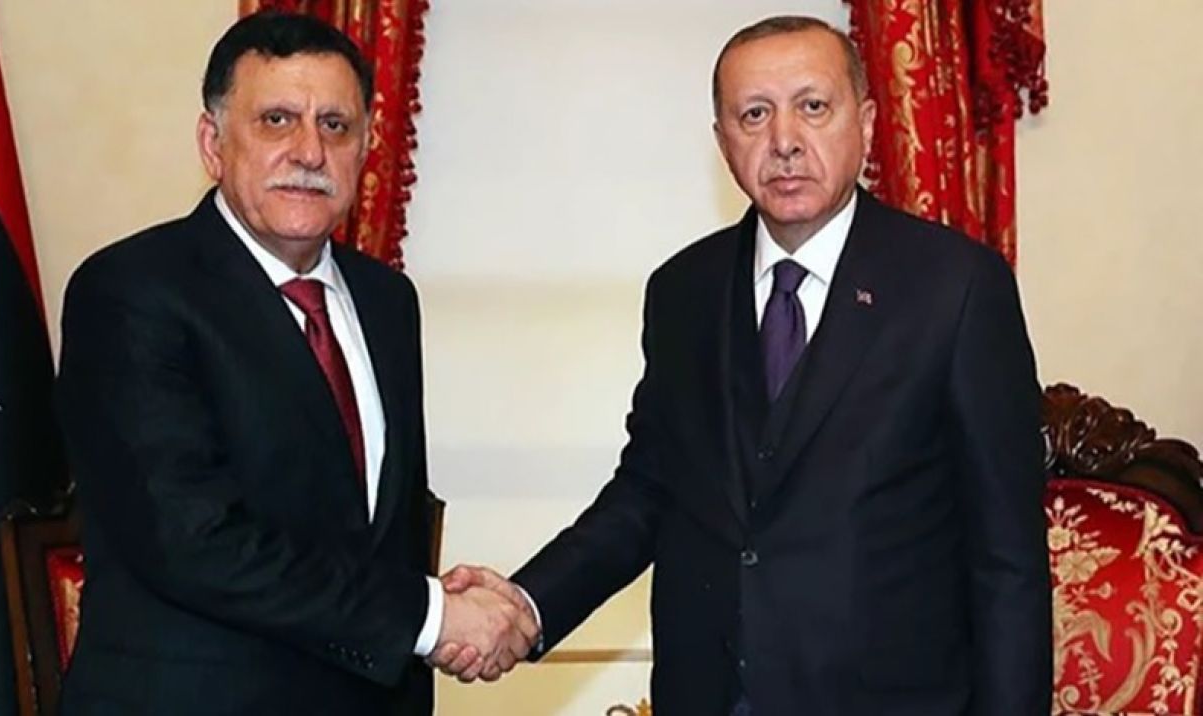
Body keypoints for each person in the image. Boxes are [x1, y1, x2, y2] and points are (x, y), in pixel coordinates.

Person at [442, 15, 1051, 715]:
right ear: (722, 140)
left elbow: (1007, 558)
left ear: (867, 122)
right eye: (754, 114)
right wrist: (527, 605)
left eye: (812, 106)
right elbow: (647, 492)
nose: (784, 141)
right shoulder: (682, 292)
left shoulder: (956, 286)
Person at [55, 12, 535, 714]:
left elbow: (381, 533)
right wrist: (431, 616)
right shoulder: (131, 291)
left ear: (366, 147)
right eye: (276, 120)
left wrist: (441, 614)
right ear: (213, 144)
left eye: (335, 125)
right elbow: (191, 540)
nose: (309, 151)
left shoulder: (387, 300)